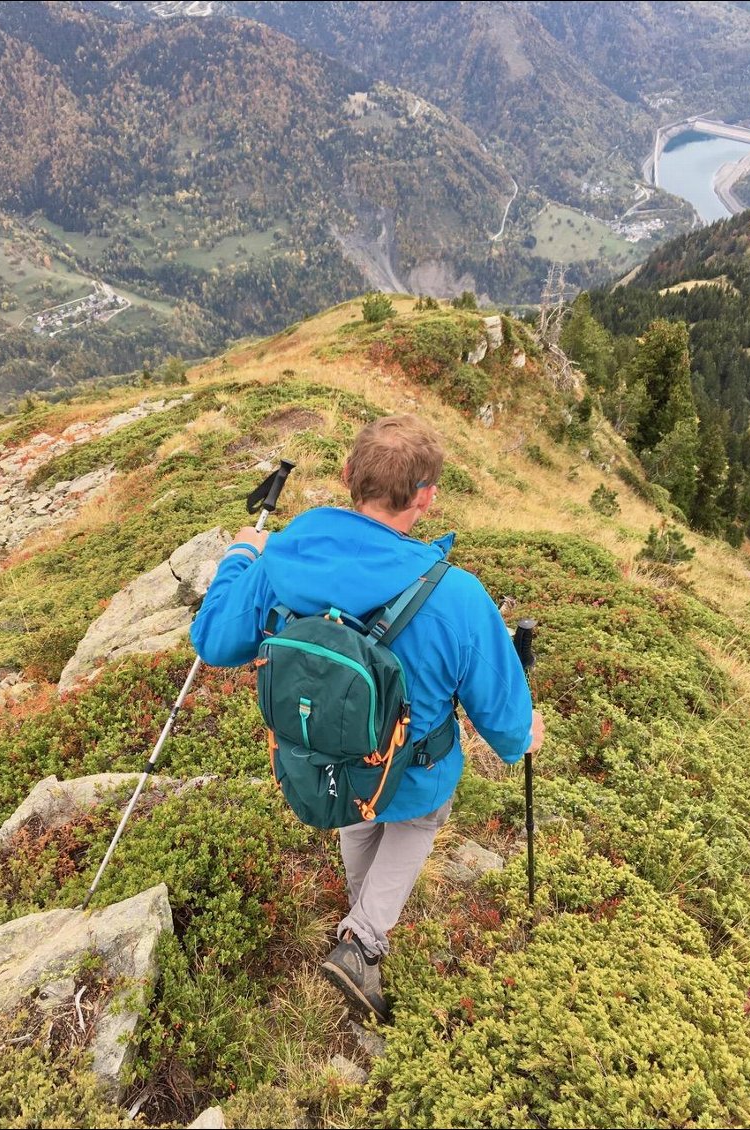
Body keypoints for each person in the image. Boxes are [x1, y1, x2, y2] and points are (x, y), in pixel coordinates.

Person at [190, 414, 544, 1021]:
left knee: (356, 812)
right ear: (427, 498)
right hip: (416, 773)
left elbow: (214, 640)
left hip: (319, 758)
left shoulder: (282, 557)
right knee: (413, 824)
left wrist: (240, 557)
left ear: (348, 474)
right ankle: (361, 943)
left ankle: (361, 913)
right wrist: (523, 736)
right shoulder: (457, 595)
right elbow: (504, 718)